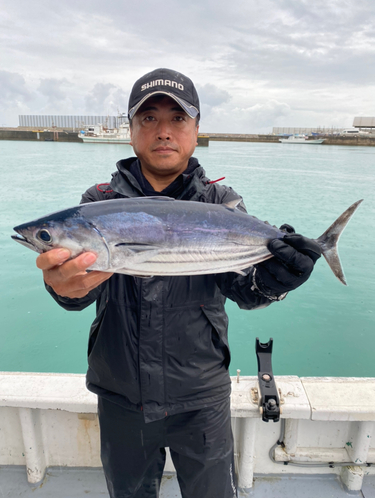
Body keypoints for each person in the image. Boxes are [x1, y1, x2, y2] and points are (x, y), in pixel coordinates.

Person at [36, 68, 322, 498]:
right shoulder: (97, 205)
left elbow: (246, 291)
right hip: (120, 393)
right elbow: (79, 294)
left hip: (201, 395)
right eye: (148, 119)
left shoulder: (222, 203)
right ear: (130, 131)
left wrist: (278, 281)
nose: (163, 131)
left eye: (178, 119)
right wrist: (62, 287)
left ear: (196, 129)